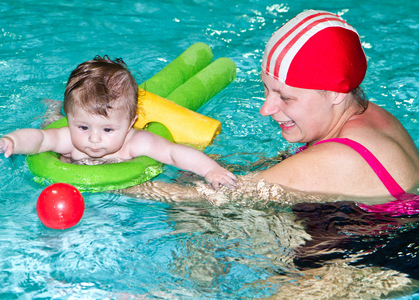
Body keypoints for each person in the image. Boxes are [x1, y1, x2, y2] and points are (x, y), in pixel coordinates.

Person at [121, 10, 419, 213]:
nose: (266, 109)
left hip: (374, 256)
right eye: (267, 89)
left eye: (285, 97)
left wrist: (102, 180)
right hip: (367, 227)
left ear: (335, 94)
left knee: (194, 211)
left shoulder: (341, 158)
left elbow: (212, 198)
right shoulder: (367, 114)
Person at [0, 55, 237, 189]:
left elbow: (175, 153)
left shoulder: (136, 142)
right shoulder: (70, 140)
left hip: (121, 182)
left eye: (108, 129)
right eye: (83, 127)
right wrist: (11, 141)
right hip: (75, 177)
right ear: (72, 120)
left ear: (131, 123)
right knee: (48, 125)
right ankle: (55, 111)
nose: (94, 139)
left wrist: (210, 171)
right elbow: (40, 139)